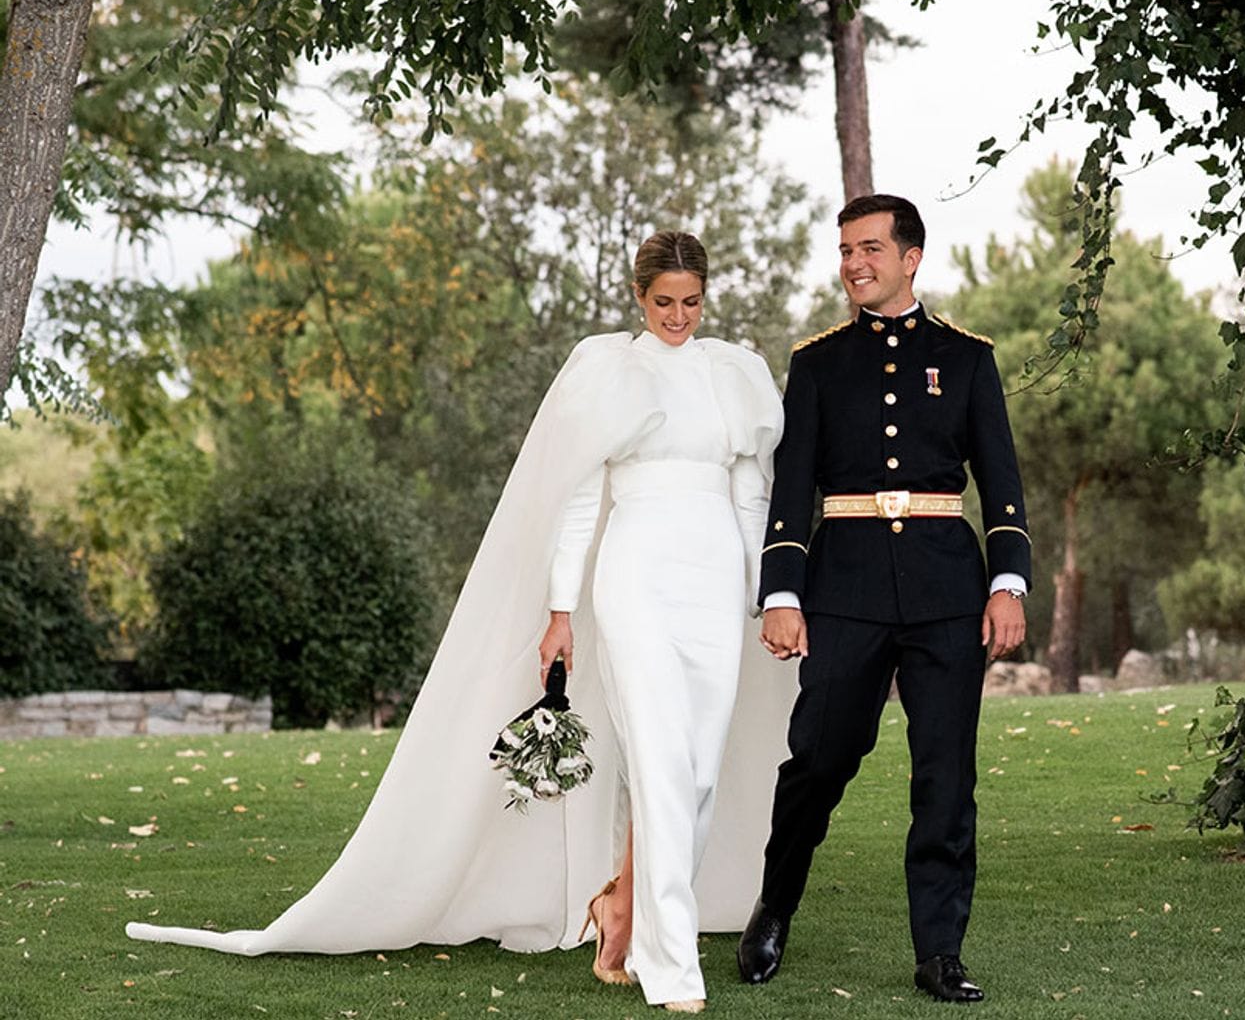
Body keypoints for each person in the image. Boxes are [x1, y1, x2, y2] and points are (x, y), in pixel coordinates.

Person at [127, 232, 797, 1014]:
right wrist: (558, 610)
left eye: (690, 301)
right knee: (653, 759)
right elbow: (581, 500)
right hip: (636, 574)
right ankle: (671, 966)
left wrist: (768, 594)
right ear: (639, 298)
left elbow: (755, 497)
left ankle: (621, 904)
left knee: (700, 770)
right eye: (663, 302)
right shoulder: (608, 369)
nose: (678, 316)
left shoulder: (737, 374)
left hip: (715, 576)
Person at [740, 194, 1032, 1004]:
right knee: (820, 758)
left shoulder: (968, 358)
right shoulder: (819, 363)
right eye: (844, 251)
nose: (853, 263)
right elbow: (791, 490)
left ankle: (940, 950)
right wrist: (782, 593)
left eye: (869, 248)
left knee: (946, 775)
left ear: (911, 257)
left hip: (947, 592)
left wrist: (1008, 583)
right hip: (844, 588)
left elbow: (1001, 486)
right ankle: (775, 904)